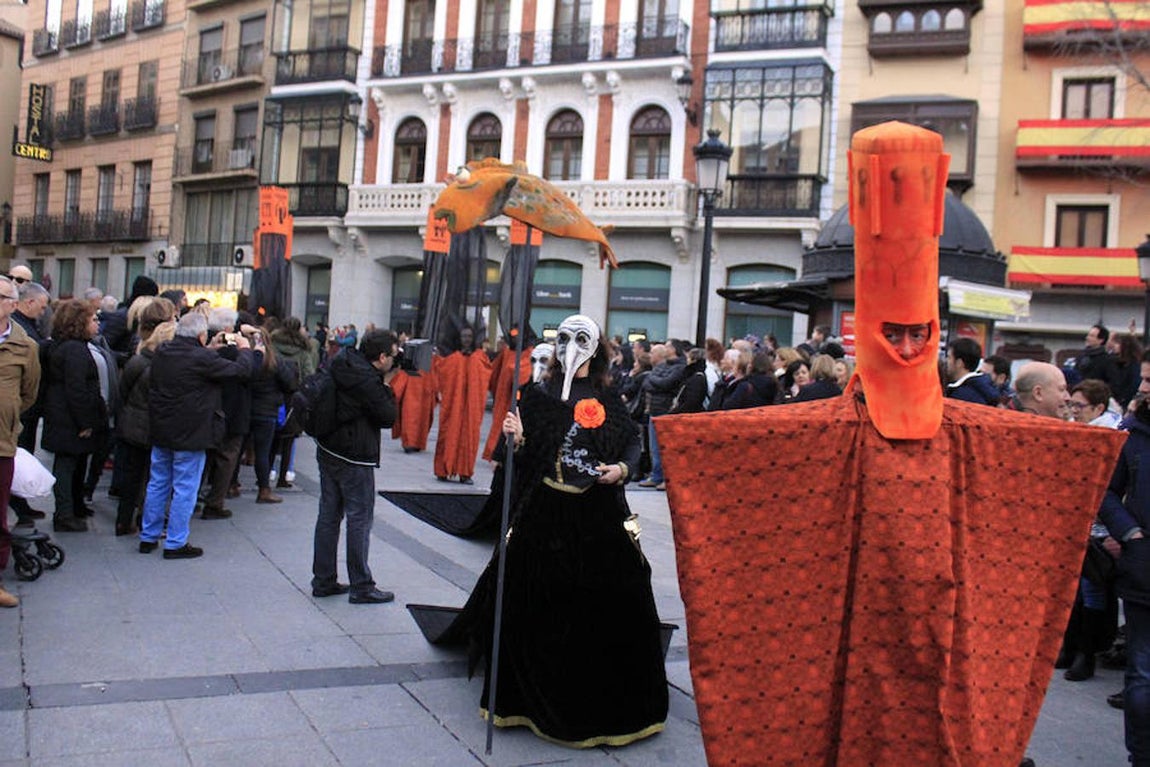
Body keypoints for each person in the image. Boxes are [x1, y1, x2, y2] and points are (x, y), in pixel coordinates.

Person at [654, 122, 1124, 767]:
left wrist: (1091, 449)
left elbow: (1042, 465)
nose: (906, 350)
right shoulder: (827, 427)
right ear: (864, 332)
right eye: (891, 334)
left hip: (938, 643)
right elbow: (739, 460)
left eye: (918, 335)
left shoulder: (969, 431)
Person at [419, 313, 668, 747]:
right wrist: (514, 438)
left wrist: (622, 468)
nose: (570, 347)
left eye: (580, 339)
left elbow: (631, 443)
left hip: (597, 516)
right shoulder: (535, 396)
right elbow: (516, 458)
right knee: (532, 594)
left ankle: (600, 695)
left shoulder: (608, 401)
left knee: (609, 598)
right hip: (544, 510)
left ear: (597, 350)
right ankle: (524, 696)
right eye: (565, 338)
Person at [139, 313, 260, 559]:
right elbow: (241, 372)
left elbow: (193, 364)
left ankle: (148, 536)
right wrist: (247, 349)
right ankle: (175, 542)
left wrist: (211, 349)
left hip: (162, 428)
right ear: (201, 335)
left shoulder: (163, 352)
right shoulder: (201, 357)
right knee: (185, 487)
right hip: (191, 431)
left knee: (158, 482)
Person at [312, 329, 398, 604]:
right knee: (359, 518)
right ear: (382, 357)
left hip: (328, 448)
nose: (396, 360)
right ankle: (361, 585)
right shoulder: (368, 381)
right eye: (393, 355)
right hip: (354, 456)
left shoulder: (345, 360)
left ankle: (323, 580)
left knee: (329, 515)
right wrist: (387, 384)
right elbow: (387, 416)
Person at [42, 300, 109, 533]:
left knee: (73, 462)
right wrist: (85, 422)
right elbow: (76, 388)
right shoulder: (74, 350)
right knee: (67, 464)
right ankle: (64, 513)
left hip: (63, 415)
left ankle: (72, 507)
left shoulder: (64, 346)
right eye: (93, 320)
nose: (97, 323)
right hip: (69, 418)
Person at [0, 276, 41, 607]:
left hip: (1, 441)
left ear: (12, 304)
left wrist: (8, 415)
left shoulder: (25, 346)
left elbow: (29, 394)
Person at [8, 281, 50, 526]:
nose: (43, 312)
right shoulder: (22, 332)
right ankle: (17, 502)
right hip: (18, 411)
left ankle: (19, 502)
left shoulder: (27, 331)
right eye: (42, 306)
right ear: (29, 302)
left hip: (24, 407)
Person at [945, 337, 999, 406]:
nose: (946, 361)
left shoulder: (962, 396)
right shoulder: (980, 386)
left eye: (949, 357)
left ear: (959, 363)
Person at [1075, 324, 1119, 390]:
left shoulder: (1108, 360)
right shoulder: (1081, 356)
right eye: (1088, 335)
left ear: (1101, 340)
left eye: (1092, 336)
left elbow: (1113, 383)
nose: (1087, 338)